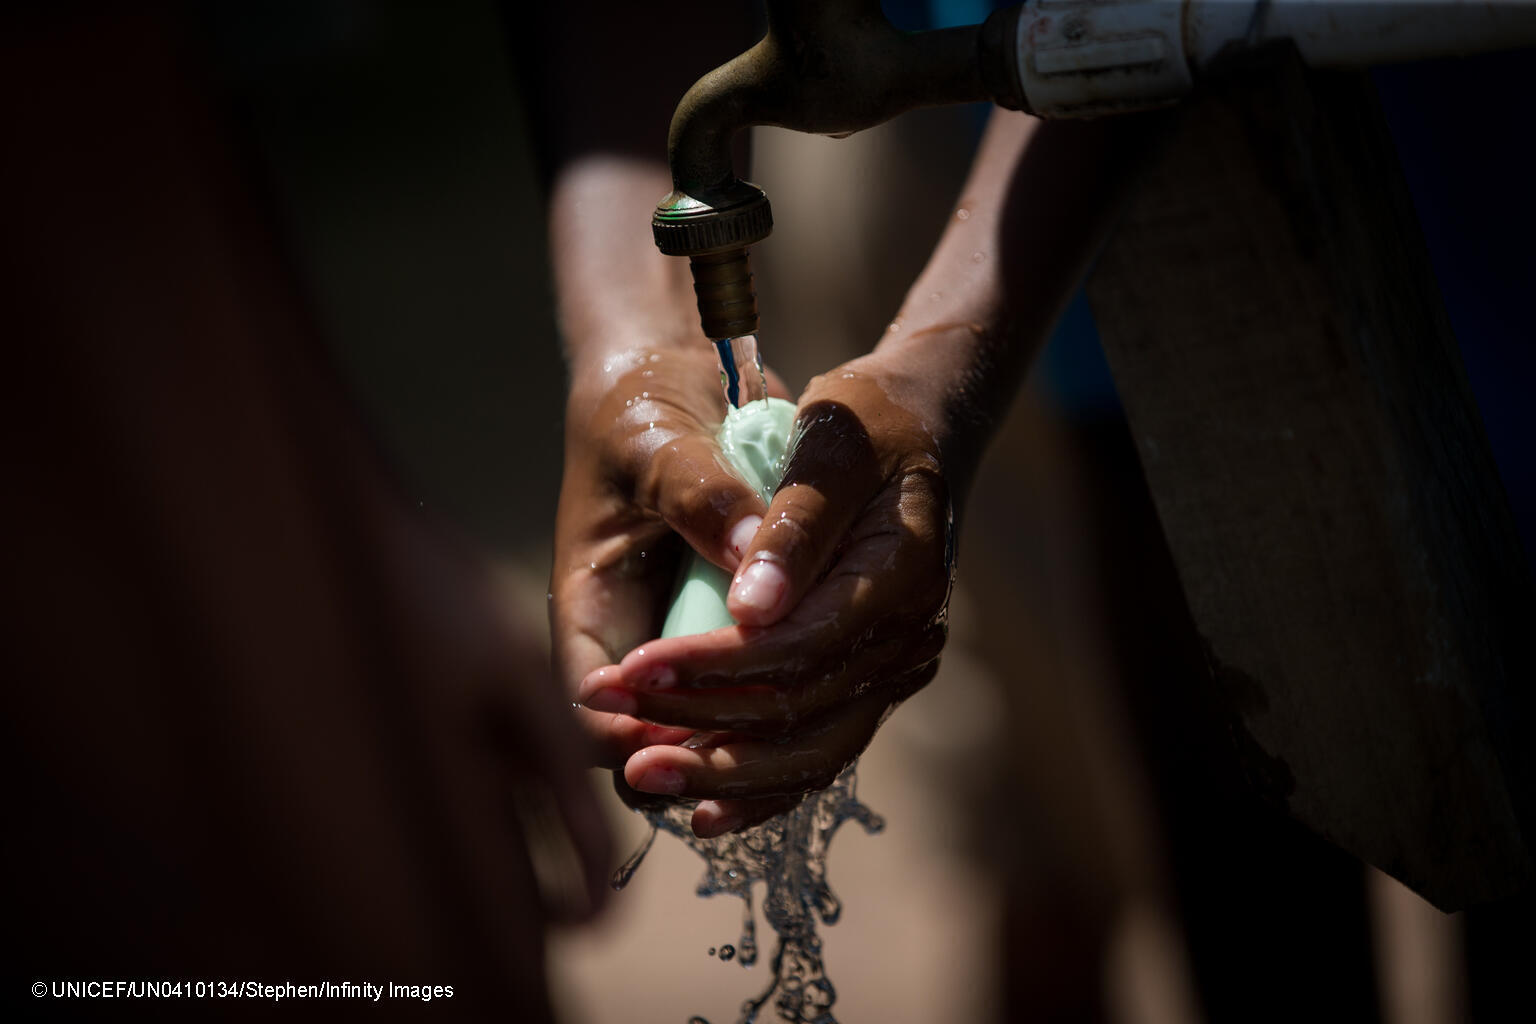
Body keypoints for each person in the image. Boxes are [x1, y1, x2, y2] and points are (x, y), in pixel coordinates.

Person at [528, 3, 1148, 838]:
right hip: (889, 90)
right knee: (1002, 777)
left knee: (1167, 728)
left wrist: (941, 369)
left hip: (1153, 106)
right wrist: (635, 340)